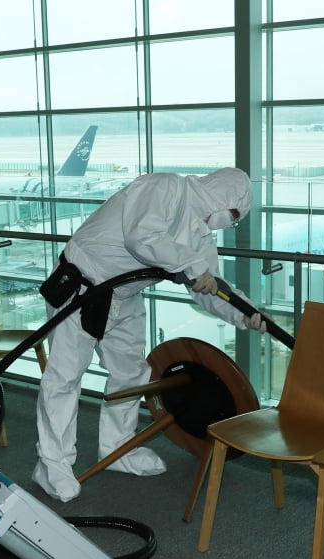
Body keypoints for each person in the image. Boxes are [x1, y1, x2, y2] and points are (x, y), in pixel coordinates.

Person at [33, 167, 267, 502]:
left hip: (123, 295)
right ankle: (51, 463)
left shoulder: (199, 235)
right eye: (233, 215)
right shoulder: (166, 187)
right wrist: (192, 266)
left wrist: (247, 314)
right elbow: (142, 237)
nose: (229, 222)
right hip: (82, 287)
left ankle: (118, 447)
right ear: (223, 197)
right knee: (65, 376)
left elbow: (210, 287)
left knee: (131, 373)